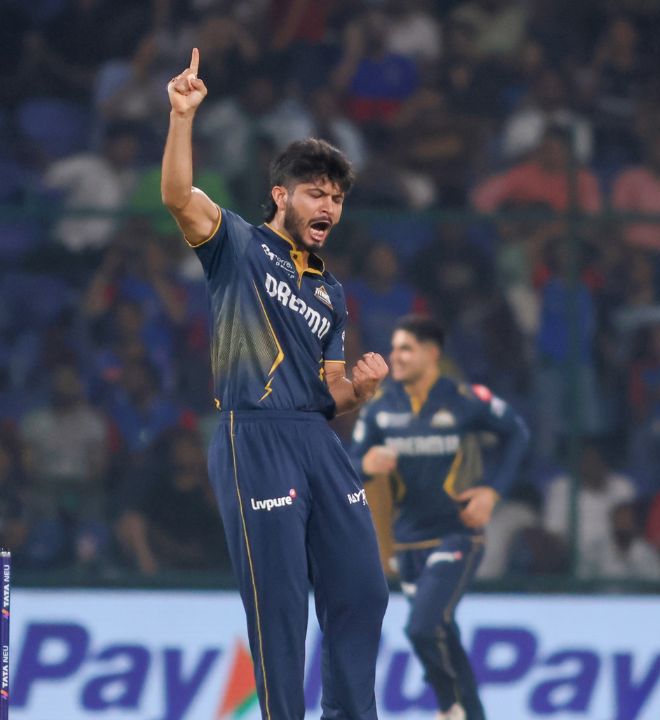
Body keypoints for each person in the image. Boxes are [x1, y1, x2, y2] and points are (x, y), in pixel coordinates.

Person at [160, 49, 391, 720]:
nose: (331, 206)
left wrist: (363, 388)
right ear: (283, 196)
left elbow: (330, 395)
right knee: (281, 604)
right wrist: (181, 118)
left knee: (363, 588)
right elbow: (178, 196)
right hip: (253, 435)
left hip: (315, 440)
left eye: (339, 197)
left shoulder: (329, 289)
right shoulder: (235, 244)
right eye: (318, 192)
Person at [352, 315, 529, 720]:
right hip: (407, 541)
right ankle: (472, 713)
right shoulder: (380, 410)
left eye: (406, 348)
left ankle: (449, 707)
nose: (395, 356)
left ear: (432, 354)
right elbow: (351, 464)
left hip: (457, 534)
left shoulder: (463, 398)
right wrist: (366, 462)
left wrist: (492, 491)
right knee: (443, 634)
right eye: (394, 347)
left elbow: (516, 432)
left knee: (421, 628)